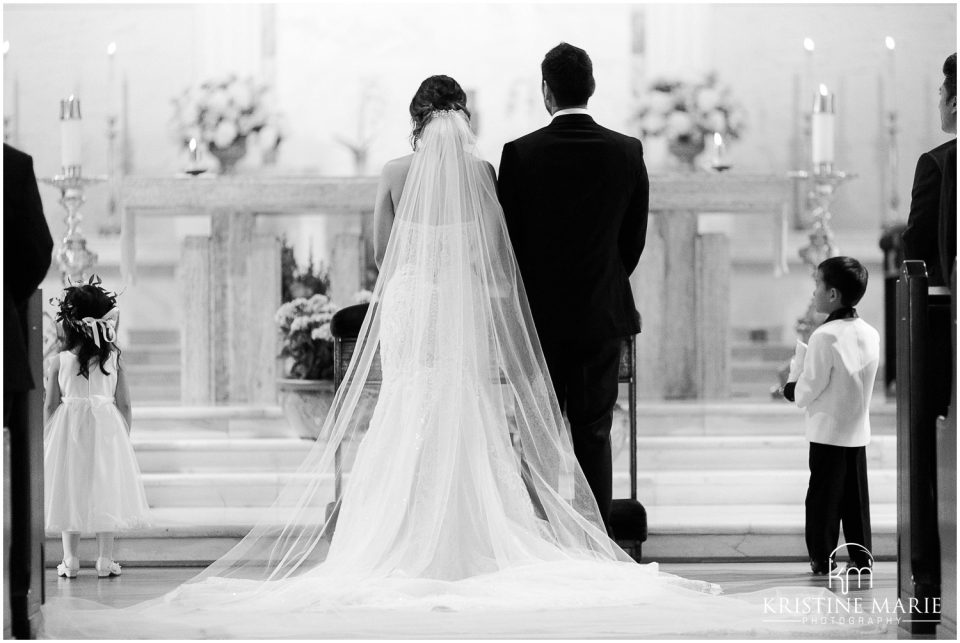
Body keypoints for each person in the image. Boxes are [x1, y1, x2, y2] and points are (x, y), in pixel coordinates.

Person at [41, 79, 879, 640]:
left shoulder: (397, 169)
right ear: (464, 118)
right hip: (462, 309)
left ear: (414, 119)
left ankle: (394, 541)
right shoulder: (483, 169)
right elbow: (495, 255)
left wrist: (408, 275)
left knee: (407, 409)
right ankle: (478, 538)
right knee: (464, 412)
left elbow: (379, 253)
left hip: (409, 307)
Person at [497, 43, 647, 531]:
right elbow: (633, 241)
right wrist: (601, 281)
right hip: (602, 314)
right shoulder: (627, 151)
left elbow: (509, 241)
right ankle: (593, 538)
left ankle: (543, 536)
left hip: (538, 318)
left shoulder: (518, 155)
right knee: (594, 431)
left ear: (546, 90)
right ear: (592, 87)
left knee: (539, 434)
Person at [43, 276, 149, 578]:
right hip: (105, 427)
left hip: (69, 428)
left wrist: (50, 435)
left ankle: (71, 559)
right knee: (105, 486)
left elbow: (50, 405)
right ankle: (104, 559)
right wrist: (122, 435)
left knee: (69, 487)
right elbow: (124, 403)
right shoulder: (114, 357)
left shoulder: (58, 361)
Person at [782, 257, 880, 575]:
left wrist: (793, 379)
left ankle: (823, 558)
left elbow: (806, 391)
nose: (814, 294)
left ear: (833, 294)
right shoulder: (870, 333)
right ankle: (862, 557)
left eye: (818, 286)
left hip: (827, 432)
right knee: (856, 499)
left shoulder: (825, 336)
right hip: (857, 430)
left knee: (823, 500)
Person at [903, 52, 957, 287]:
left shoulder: (939, 162)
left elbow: (917, 244)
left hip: (947, 299)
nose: (938, 104)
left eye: (940, 94)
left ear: (954, 102)